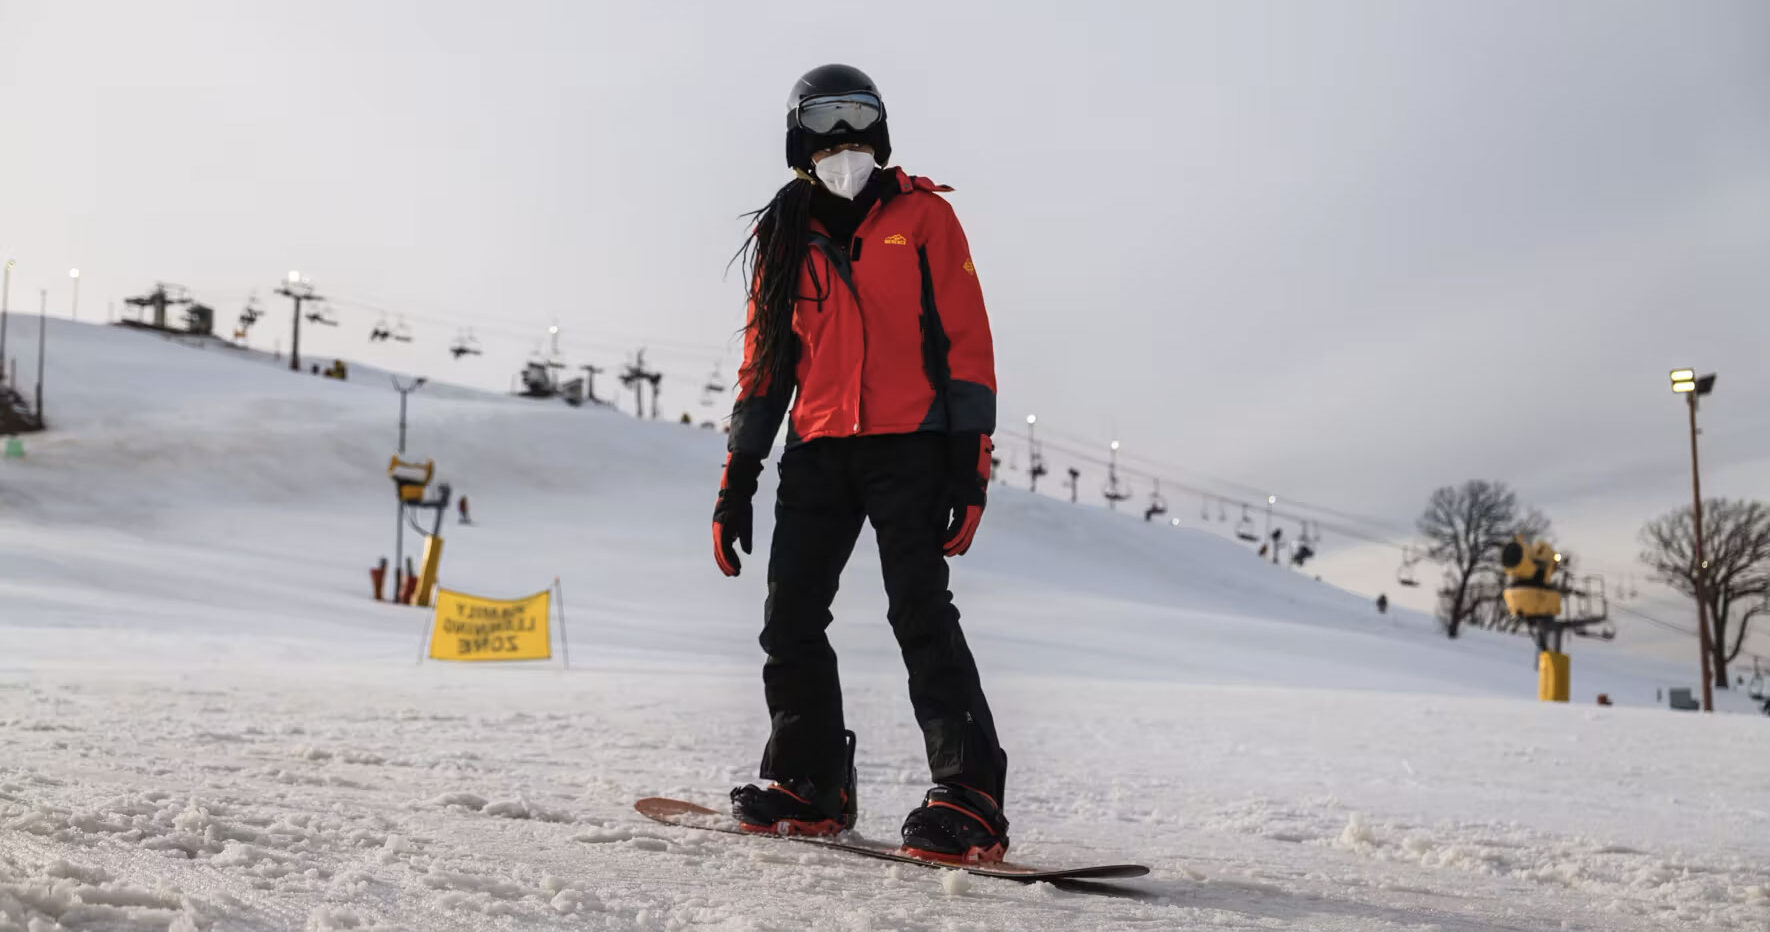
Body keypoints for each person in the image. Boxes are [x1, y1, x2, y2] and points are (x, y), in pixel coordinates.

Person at [712, 64, 1008, 864]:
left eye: (857, 118)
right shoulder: (783, 237)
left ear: (880, 130)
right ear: (796, 136)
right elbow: (763, 366)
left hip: (908, 445)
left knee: (919, 612)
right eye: (824, 120)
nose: (842, 138)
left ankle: (968, 791)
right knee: (790, 620)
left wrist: (967, 465)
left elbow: (967, 347)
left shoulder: (924, 218)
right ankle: (810, 784)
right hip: (817, 450)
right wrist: (738, 477)